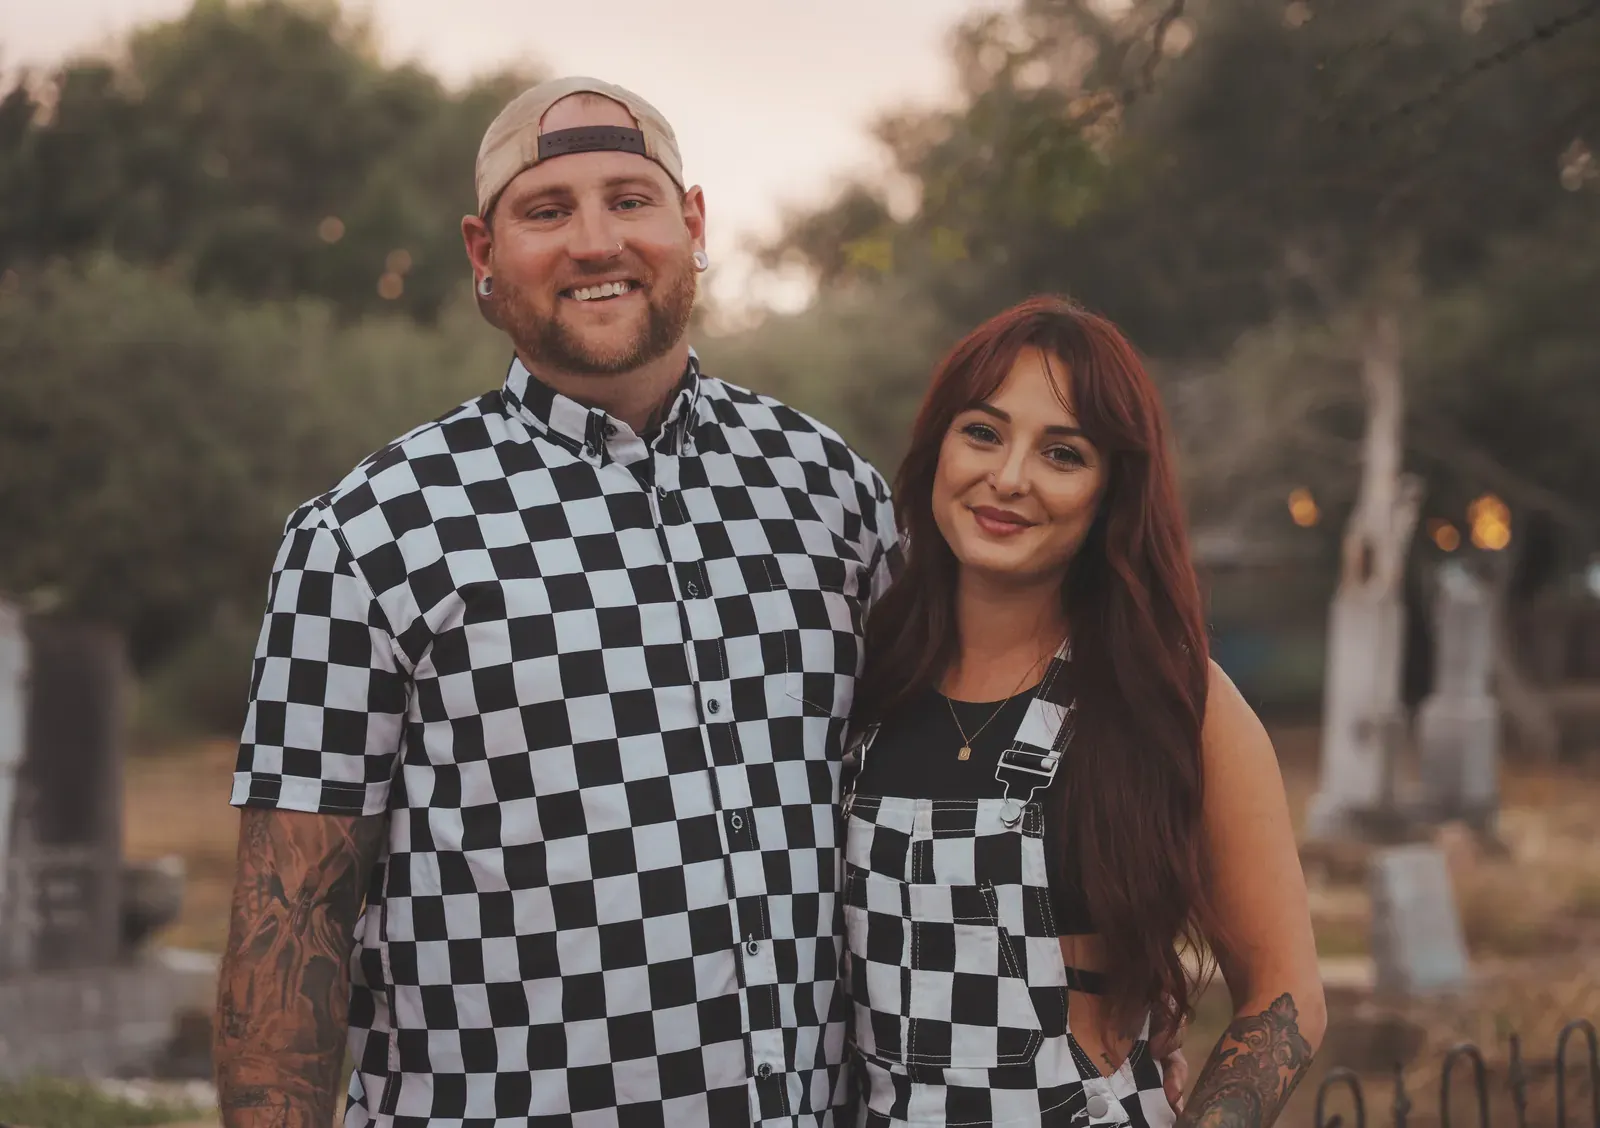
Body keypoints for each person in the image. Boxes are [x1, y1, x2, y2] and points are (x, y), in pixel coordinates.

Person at [212, 76, 901, 1127]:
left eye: (630, 200)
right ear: (483, 254)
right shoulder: (367, 535)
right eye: (547, 210)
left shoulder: (832, 495)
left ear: (693, 224)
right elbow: (286, 929)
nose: (595, 242)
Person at [840, 296, 1325, 1127]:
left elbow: (1287, 994)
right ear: (937, 447)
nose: (1009, 478)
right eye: (983, 433)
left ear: (1111, 492)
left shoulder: (1172, 699)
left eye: (1062, 454)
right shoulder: (863, 682)